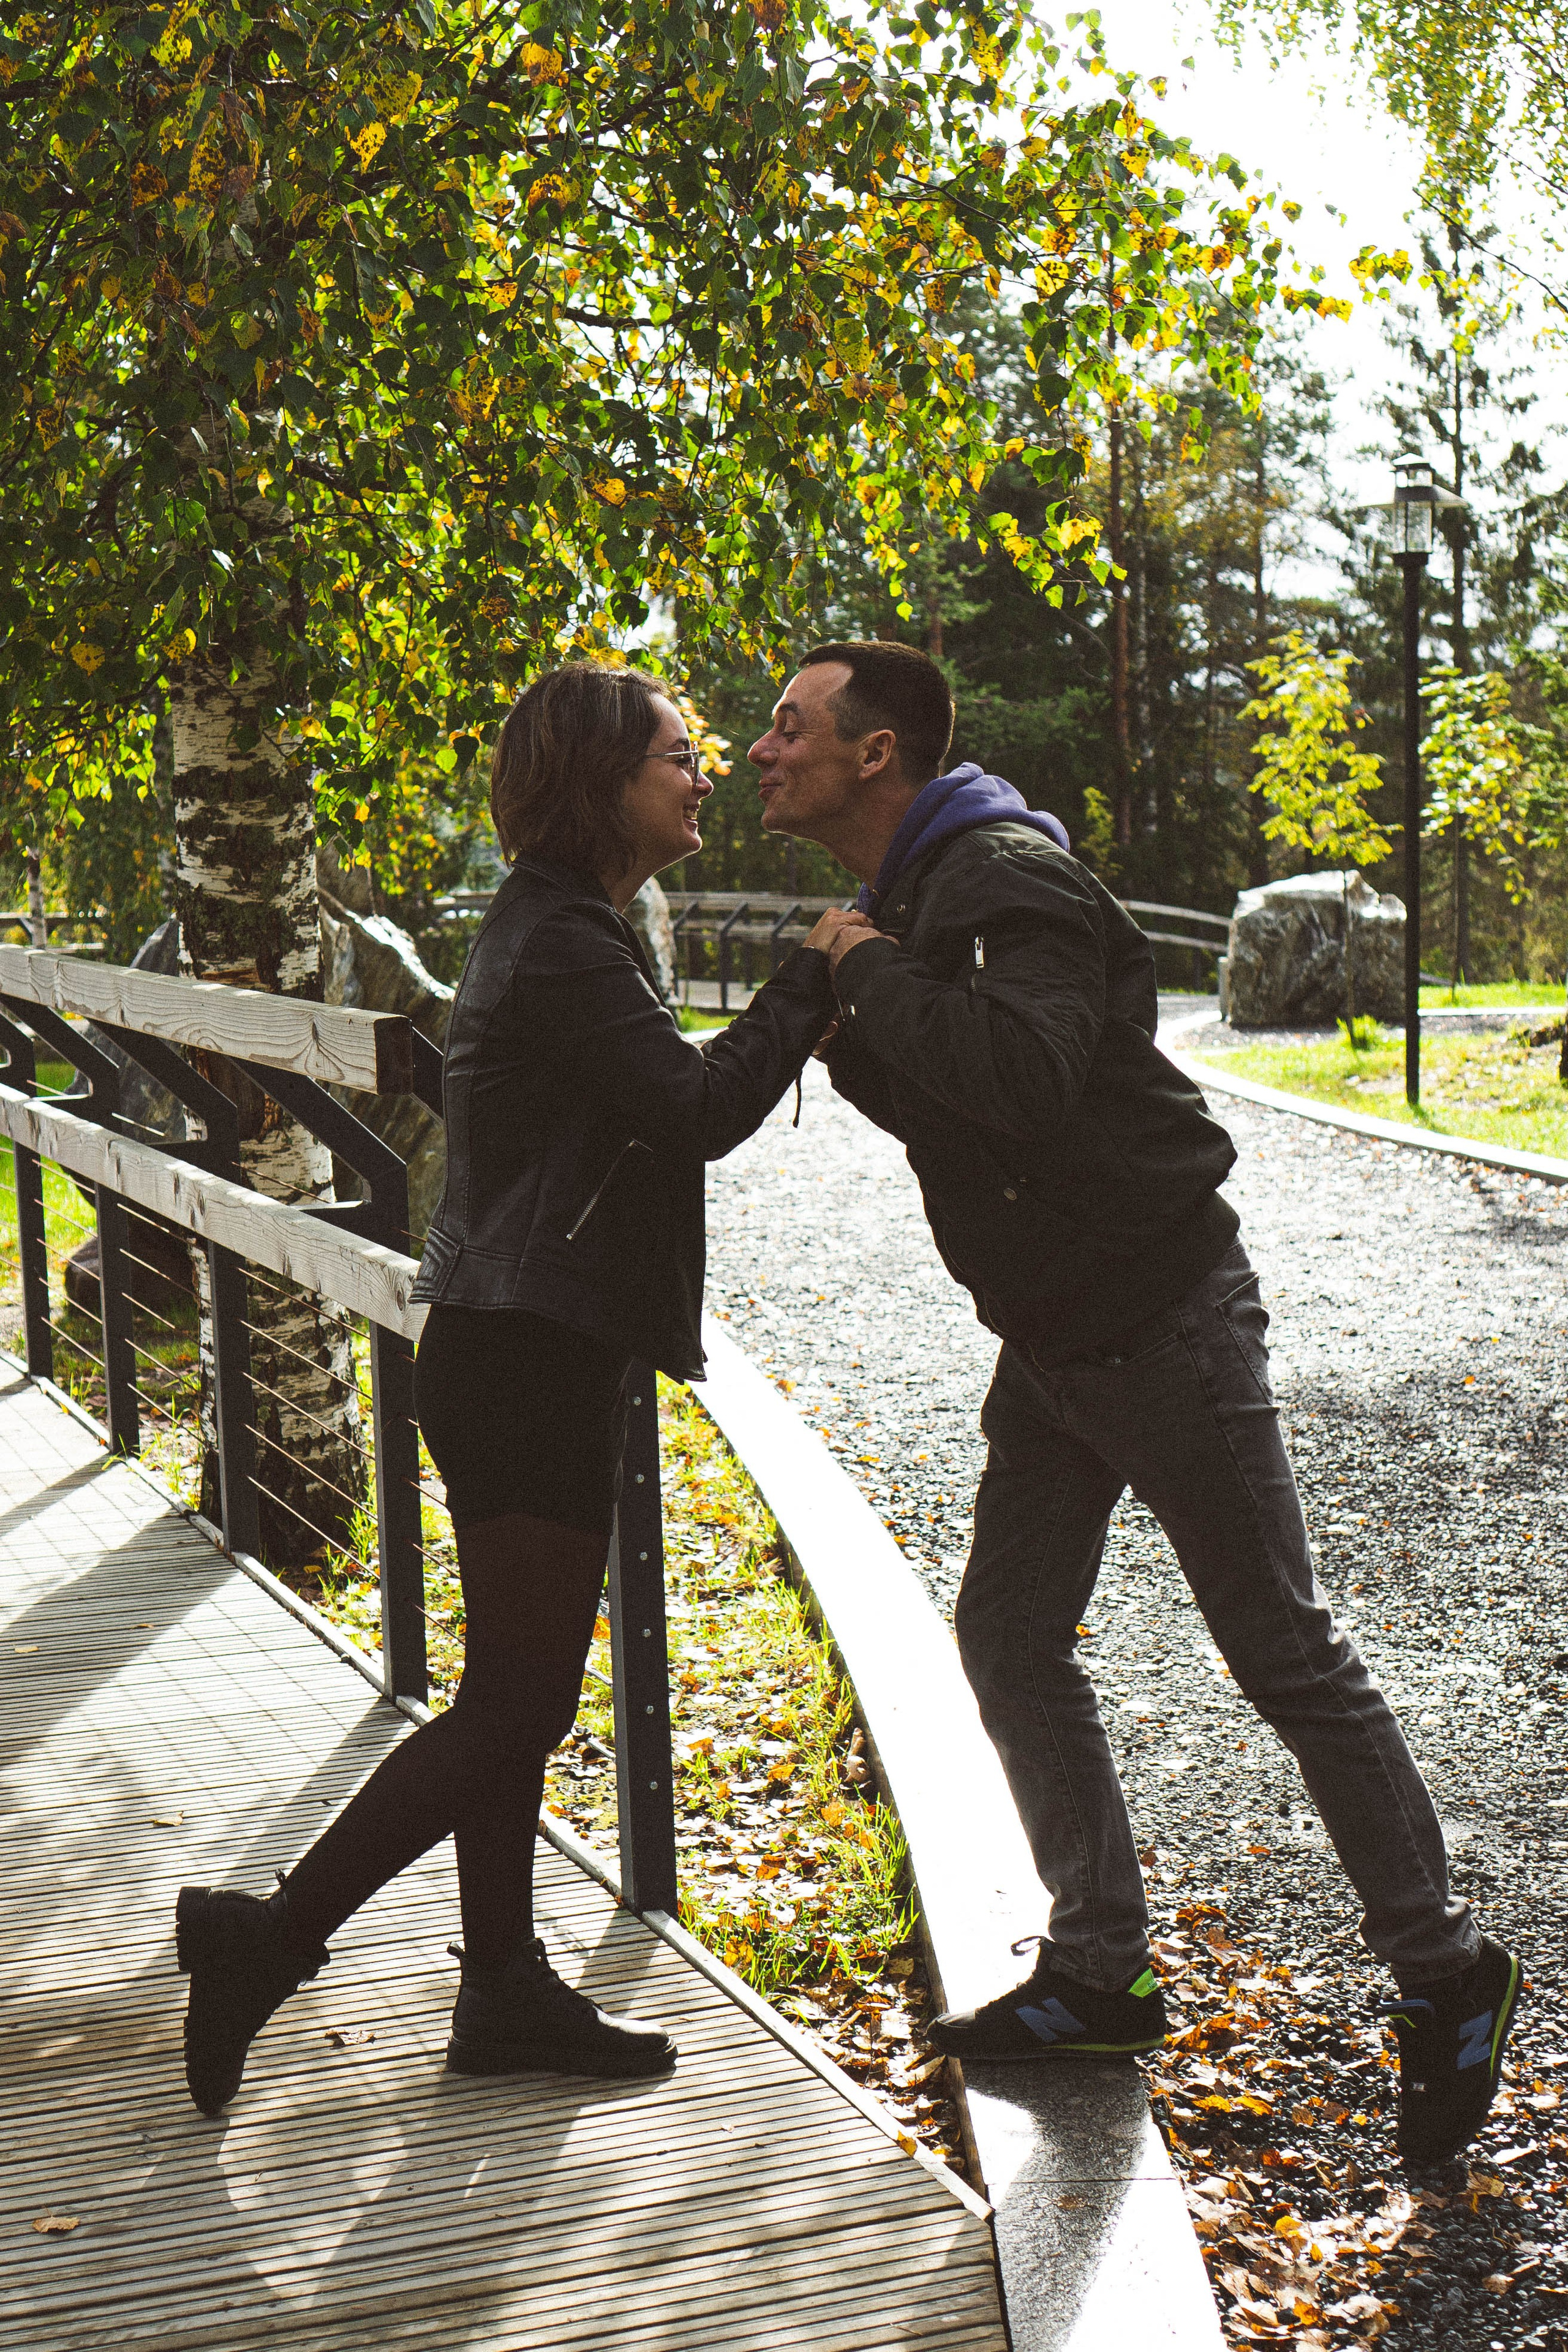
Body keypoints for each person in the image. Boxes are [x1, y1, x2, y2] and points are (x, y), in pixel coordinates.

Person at [751, 638, 1519, 2168]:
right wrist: (861, 1018)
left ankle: (1445, 1975)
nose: (757, 750)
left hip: (1157, 1318)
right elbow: (971, 1106)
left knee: (1283, 1651)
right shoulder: (919, 889)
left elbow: (1025, 1078)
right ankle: (1099, 1972)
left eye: (786, 728)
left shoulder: (996, 873)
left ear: (875, 751)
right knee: (1010, 1635)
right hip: (1052, 1336)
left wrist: (862, 975)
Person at [175, 662, 838, 2116]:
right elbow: (696, 1111)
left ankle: (500, 1986)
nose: (700, 774)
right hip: (527, 1352)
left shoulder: (564, 930)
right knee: (516, 1703)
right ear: (601, 783)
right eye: (676, 754)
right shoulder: (561, 945)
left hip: (523, 1341)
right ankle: (265, 1941)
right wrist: (817, 970)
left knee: (513, 1694)